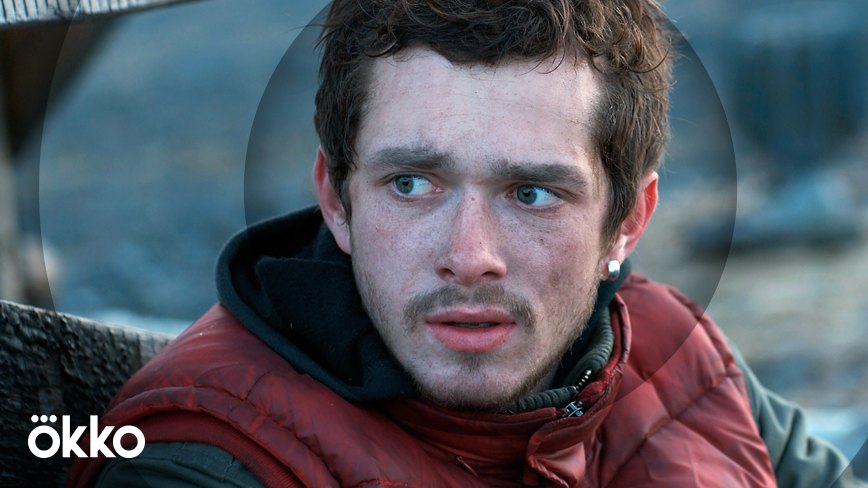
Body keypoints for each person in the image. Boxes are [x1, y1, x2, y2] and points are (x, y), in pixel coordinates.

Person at [67, 0, 865, 487]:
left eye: (531, 193)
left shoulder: (680, 359)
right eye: (413, 183)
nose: (470, 255)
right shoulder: (207, 465)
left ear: (628, 219)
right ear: (336, 199)